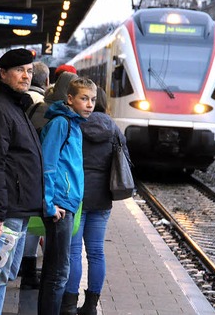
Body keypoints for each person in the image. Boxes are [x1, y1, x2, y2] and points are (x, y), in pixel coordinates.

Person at [0, 48, 44, 315]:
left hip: (16, 206)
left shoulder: (13, 104)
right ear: (2, 74)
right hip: (5, 209)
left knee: (3, 275)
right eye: (19, 70)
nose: (26, 76)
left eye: (29, 70)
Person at [64, 87, 130, 315]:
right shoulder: (113, 128)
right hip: (102, 198)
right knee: (96, 252)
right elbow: (125, 159)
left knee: (73, 252)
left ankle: (69, 304)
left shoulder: (75, 124)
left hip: (77, 197)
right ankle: (91, 305)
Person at [38, 77, 95, 315]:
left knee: (55, 270)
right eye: (84, 98)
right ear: (70, 99)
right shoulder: (62, 123)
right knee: (59, 272)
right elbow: (47, 164)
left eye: (93, 99)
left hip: (66, 202)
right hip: (59, 204)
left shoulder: (74, 124)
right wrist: (49, 204)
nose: (90, 104)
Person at [20, 60, 50, 290]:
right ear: (47, 82)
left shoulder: (20, 101)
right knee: (35, 225)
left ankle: (26, 268)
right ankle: (31, 272)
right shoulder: (45, 108)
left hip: (23, 171)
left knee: (28, 226)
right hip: (35, 174)